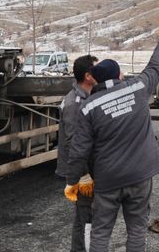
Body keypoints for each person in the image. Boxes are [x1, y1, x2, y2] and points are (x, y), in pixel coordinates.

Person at [64, 24, 159, 252]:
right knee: (137, 231)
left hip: (108, 180)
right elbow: (156, 65)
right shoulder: (138, 88)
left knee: (101, 232)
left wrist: (72, 181)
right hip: (140, 175)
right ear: (118, 75)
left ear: (96, 80)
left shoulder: (88, 107)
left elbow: (79, 149)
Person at [56, 54, 98, 252]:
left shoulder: (88, 96)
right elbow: (73, 143)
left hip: (88, 168)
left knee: (86, 217)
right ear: (89, 76)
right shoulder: (74, 104)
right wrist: (83, 176)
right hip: (82, 172)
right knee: (85, 219)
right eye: (97, 68)